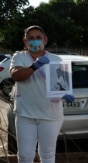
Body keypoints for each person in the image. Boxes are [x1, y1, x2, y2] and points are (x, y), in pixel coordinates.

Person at [9, 25, 74, 163]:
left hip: (50, 115)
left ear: (45, 40)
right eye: (30, 38)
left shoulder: (56, 59)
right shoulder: (19, 57)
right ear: (25, 41)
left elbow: (60, 85)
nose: (35, 41)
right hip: (25, 114)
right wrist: (34, 66)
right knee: (25, 156)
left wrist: (65, 94)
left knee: (48, 154)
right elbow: (16, 75)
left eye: (38, 38)